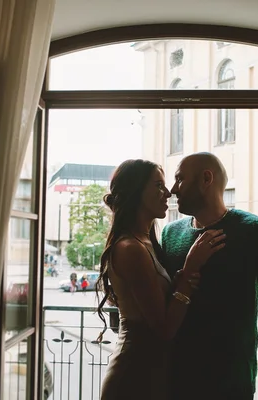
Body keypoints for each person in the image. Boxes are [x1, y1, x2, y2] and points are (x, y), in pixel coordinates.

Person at [160, 152, 258, 400]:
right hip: (173, 379)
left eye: (180, 179)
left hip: (230, 383)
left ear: (206, 178)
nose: (173, 189)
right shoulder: (170, 234)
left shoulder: (254, 230)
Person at [97, 159, 226, 400]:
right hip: (133, 376)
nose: (168, 192)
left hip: (152, 373)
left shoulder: (147, 243)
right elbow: (164, 329)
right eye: (158, 185)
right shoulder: (130, 248)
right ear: (136, 192)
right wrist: (190, 270)